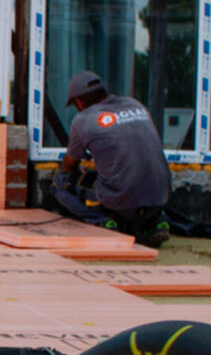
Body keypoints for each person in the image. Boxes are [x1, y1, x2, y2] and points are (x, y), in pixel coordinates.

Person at [53, 70, 172, 248]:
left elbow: (69, 164)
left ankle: (103, 221)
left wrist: (65, 172)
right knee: (127, 183)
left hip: (122, 205)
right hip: (161, 198)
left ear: (78, 102)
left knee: (59, 186)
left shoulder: (83, 119)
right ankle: (157, 222)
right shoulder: (135, 105)